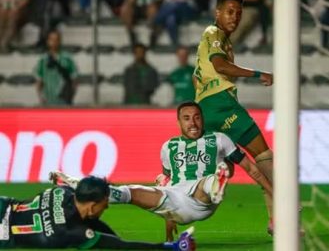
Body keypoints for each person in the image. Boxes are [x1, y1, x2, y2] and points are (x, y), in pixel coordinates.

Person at [51, 101, 273, 241]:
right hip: (175, 200)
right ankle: (76, 184)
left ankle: (217, 183)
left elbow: (251, 168)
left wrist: (273, 192)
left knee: (209, 179)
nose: (193, 123)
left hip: (201, 200)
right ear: (179, 122)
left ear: (202, 119)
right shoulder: (168, 147)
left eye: (197, 117)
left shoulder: (220, 139)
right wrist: (169, 222)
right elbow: (167, 182)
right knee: (129, 192)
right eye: (187, 119)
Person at [192, 0, 274, 234]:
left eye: (238, 13)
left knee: (230, 167)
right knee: (266, 160)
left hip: (209, 108)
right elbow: (219, 65)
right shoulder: (213, 33)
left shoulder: (217, 40)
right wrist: (259, 74)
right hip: (222, 106)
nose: (235, 17)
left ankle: (214, 177)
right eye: (229, 12)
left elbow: (199, 73)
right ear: (217, 13)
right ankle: (284, 215)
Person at [0, 175, 195, 250]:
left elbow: (93, 222)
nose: (107, 206)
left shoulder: (61, 192)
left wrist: (113, 236)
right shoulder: (70, 232)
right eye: (104, 203)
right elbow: (119, 247)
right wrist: (172, 247)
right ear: (92, 205)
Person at [34, 29, 78, 106]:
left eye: (56, 40)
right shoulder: (42, 60)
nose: (54, 42)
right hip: (48, 101)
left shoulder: (67, 59)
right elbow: (39, 82)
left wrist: (71, 97)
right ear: (47, 41)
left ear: (60, 41)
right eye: (51, 39)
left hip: (64, 101)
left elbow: (74, 80)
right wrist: (41, 98)